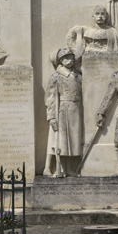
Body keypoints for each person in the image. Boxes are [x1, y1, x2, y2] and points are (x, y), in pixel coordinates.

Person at [43, 48, 83, 177]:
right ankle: (57, 168)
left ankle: (70, 168)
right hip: (61, 110)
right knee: (60, 141)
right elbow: (50, 98)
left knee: (73, 141)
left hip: (75, 110)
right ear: (60, 61)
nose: (69, 60)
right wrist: (51, 116)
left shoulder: (78, 75)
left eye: (71, 57)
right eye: (65, 58)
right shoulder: (56, 76)